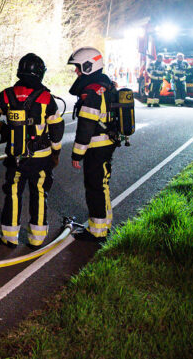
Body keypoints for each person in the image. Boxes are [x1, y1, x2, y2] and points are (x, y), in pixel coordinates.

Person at [0, 53, 64, 248]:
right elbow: (57, 129)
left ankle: (9, 237)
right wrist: (56, 152)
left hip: (15, 155)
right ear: (40, 74)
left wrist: (1, 128)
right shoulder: (46, 98)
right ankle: (37, 238)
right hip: (41, 157)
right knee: (39, 193)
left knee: (13, 193)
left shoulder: (7, 94)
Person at [67, 47, 117, 242]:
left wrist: (77, 154)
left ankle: (97, 232)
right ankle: (104, 225)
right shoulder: (105, 85)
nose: (76, 72)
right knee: (102, 186)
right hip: (106, 142)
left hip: (96, 146)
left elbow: (86, 125)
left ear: (88, 66)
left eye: (78, 68)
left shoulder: (91, 91)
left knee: (95, 187)